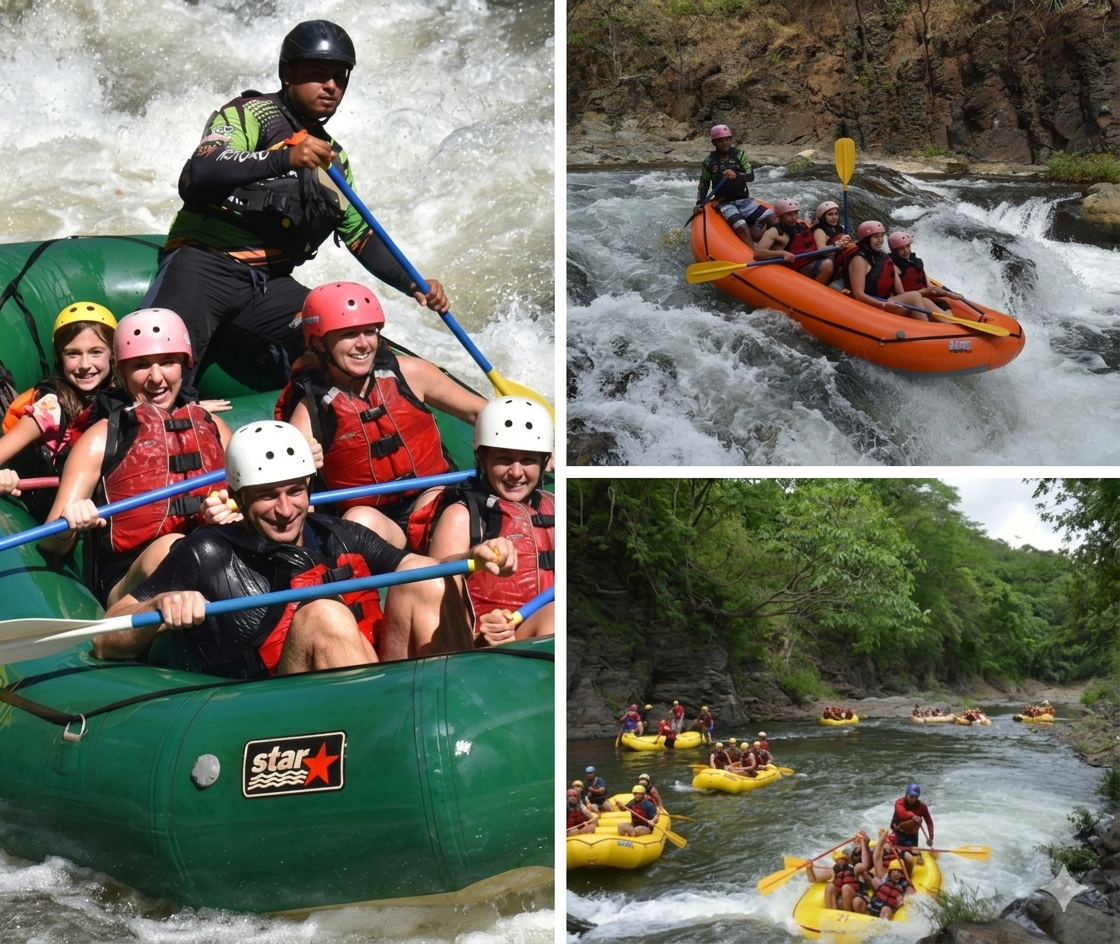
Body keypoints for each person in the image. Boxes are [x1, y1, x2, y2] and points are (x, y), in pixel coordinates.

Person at [141, 20, 450, 390]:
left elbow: (361, 235)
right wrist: (284, 158)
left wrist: (412, 282)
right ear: (288, 74)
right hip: (203, 264)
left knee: (354, 352)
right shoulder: (250, 114)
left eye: (339, 77)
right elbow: (205, 167)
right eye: (318, 74)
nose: (331, 86)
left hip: (269, 285)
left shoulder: (332, 159)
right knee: (154, 363)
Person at [91, 421, 516, 675]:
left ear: (310, 489)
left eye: (295, 491)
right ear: (237, 497)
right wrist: (160, 604)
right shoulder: (208, 553)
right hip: (284, 717)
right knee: (323, 613)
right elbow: (105, 637)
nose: (284, 509)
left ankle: (460, 706)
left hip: (373, 682)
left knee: (429, 580)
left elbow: (430, 566)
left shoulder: (338, 534)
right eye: (266, 495)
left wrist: (476, 559)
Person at [37, 309, 234, 608]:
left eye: (168, 362)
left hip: (211, 556)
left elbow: (251, 506)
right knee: (172, 549)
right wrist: (70, 523)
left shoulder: (214, 428)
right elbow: (50, 541)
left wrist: (231, 514)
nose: (156, 378)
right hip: (130, 579)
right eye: (141, 366)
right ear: (122, 372)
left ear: (184, 365)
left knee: (205, 548)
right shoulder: (101, 437)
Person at [274, 281, 485, 547]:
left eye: (370, 331)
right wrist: (305, 465)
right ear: (319, 342)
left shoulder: (410, 373)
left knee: (450, 510)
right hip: (380, 525)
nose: (363, 344)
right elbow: (288, 488)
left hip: (436, 498)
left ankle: (445, 579)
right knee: (359, 519)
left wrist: (539, 447)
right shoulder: (311, 409)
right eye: (348, 334)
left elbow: (481, 412)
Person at [396, 396, 554, 653]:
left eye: (528, 460)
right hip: (478, 645)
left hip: (538, 634)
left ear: (544, 462)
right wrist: (479, 635)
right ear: (482, 457)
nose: (516, 472)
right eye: (504, 458)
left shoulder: (554, 504)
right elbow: (435, 599)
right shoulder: (461, 516)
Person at [0, 303, 120, 515]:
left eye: (95, 352)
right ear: (58, 357)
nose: (84, 364)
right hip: (58, 511)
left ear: (112, 354)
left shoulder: (124, 397)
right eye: (72, 354)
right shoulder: (51, 407)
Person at [841, 221, 942, 321]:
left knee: (918, 297)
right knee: (914, 297)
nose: (880, 240)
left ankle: (949, 326)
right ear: (866, 239)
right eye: (876, 237)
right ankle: (924, 330)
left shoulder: (883, 257)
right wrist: (883, 305)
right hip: (873, 303)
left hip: (887, 299)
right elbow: (859, 295)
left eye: (882, 236)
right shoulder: (859, 259)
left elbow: (900, 292)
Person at [694, 125, 768, 248]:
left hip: (743, 199)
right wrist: (699, 203)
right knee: (742, 226)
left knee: (771, 217)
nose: (725, 143)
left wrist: (736, 176)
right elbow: (703, 184)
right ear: (714, 143)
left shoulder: (740, 155)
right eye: (720, 140)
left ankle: (773, 245)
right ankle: (753, 254)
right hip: (724, 202)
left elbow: (751, 176)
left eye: (727, 139)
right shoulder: (709, 162)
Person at [753, 200, 836, 285]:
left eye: (796, 213)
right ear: (780, 216)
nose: (794, 218)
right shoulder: (774, 231)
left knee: (837, 259)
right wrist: (782, 253)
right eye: (789, 215)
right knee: (827, 264)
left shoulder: (801, 226)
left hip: (813, 261)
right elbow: (758, 253)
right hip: (796, 268)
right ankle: (814, 293)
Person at [887, 232, 962, 301]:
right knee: (929, 298)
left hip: (922, 295)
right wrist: (924, 292)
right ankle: (948, 295)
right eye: (901, 249)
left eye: (908, 246)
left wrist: (943, 293)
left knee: (943, 302)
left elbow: (928, 284)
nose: (906, 250)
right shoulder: (893, 266)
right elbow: (901, 295)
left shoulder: (915, 261)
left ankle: (949, 295)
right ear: (894, 251)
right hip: (910, 300)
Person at [867, 830, 914, 920]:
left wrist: (904, 899)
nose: (896, 873)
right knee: (873, 879)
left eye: (899, 872)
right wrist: (881, 840)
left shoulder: (904, 883)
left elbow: (910, 893)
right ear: (890, 872)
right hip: (877, 903)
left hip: (888, 907)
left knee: (885, 909)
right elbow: (876, 858)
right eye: (894, 871)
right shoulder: (885, 878)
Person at [890, 783, 934, 873]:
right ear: (906, 794)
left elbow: (929, 822)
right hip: (898, 833)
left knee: (910, 852)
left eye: (914, 797)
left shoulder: (922, 807)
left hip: (912, 836)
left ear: (917, 797)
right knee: (894, 854)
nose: (912, 799)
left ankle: (916, 854)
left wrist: (931, 837)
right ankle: (913, 853)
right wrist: (913, 815)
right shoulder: (899, 802)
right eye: (910, 796)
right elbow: (901, 814)